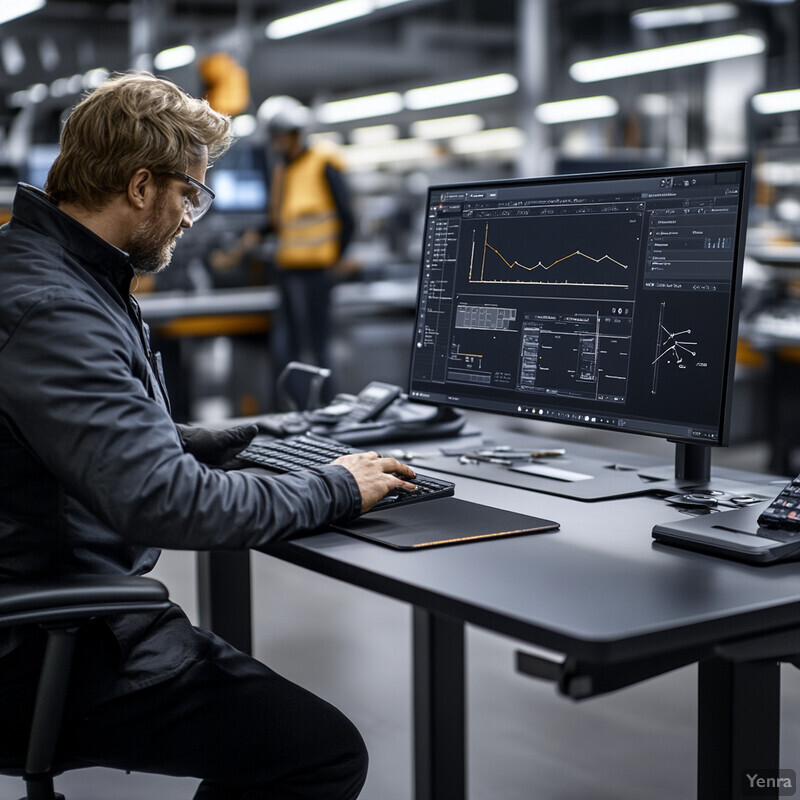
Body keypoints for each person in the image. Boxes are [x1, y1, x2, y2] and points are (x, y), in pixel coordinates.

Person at [0, 71, 417, 800]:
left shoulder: (36, 265)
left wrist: (189, 439)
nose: (193, 216)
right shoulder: (58, 308)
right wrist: (332, 486)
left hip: (35, 588)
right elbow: (165, 505)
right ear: (139, 187)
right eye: (191, 193)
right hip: (45, 645)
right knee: (318, 754)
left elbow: (40, 435)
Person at [261, 96, 355, 403]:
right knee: (287, 346)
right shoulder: (284, 172)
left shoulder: (322, 162)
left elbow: (347, 216)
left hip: (317, 271)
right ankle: (296, 409)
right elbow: (279, 220)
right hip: (288, 269)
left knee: (319, 346)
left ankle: (329, 408)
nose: (275, 145)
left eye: (278, 138)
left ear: (292, 134)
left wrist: (337, 259)